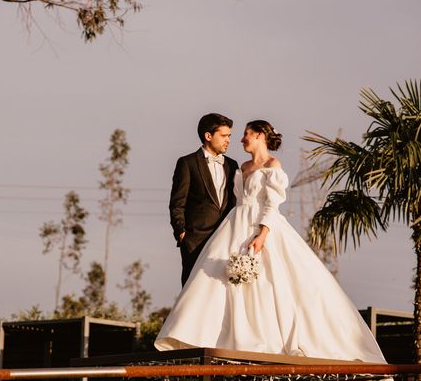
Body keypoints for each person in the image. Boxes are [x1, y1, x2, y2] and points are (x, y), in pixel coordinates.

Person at [156, 120, 392, 366]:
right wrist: (183, 233)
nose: (239, 139)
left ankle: (263, 340)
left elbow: (272, 203)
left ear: (259, 135)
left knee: (271, 284)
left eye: (246, 134)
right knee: (220, 285)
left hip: (262, 226)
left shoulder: (272, 165)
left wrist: (263, 234)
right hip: (234, 226)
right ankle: (213, 337)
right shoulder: (240, 167)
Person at [169, 113, 239, 287]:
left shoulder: (233, 165)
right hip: (195, 241)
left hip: (224, 240)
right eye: (223, 136)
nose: (228, 140)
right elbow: (177, 203)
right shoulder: (187, 163)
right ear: (208, 136)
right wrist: (182, 233)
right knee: (193, 290)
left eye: (229, 136)